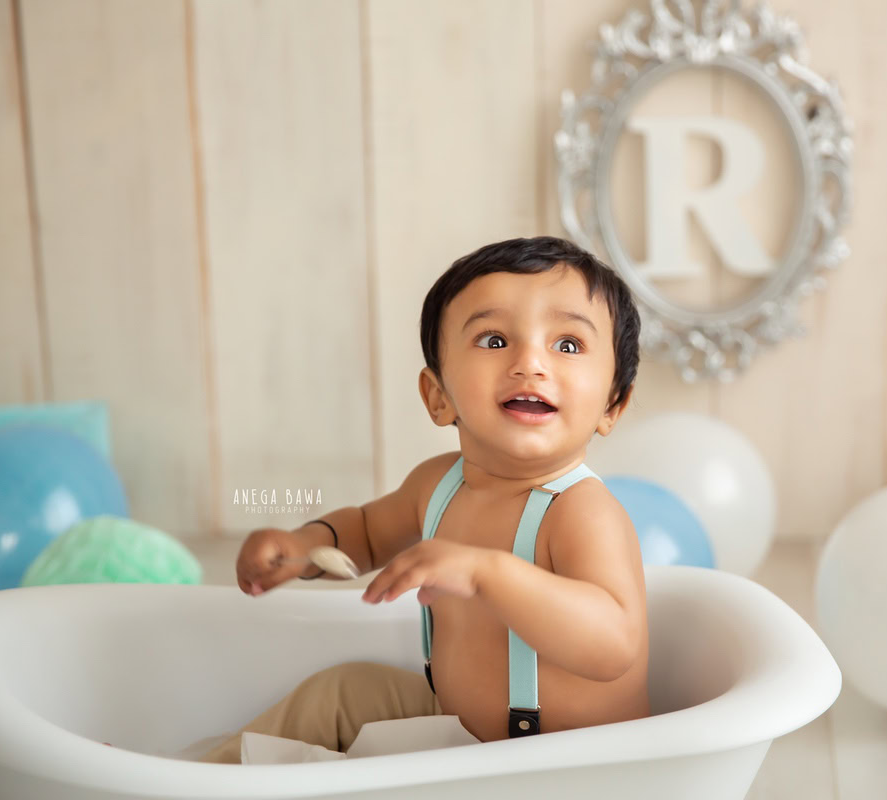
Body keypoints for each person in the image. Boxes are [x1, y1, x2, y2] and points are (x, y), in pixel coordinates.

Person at [200, 235, 649, 763]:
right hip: (459, 731)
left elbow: (612, 644)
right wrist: (302, 546)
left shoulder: (580, 511)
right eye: (494, 340)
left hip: (565, 767)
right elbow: (366, 532)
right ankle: (201, 778)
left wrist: (489, 574)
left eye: (567, 345)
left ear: (611, 407)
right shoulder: (438, 485)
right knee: (340, 692)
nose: (530, 362)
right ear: (438, 397)